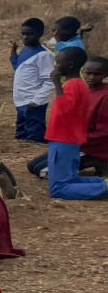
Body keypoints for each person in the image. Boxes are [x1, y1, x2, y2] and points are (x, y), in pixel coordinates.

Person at [46, 48, 108, 200]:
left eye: (58, 63)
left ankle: (104, 187)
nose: (55, 66)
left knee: (58, 188)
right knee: (70, 179)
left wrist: (57, 83)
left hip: (63, 140)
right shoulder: (81, 85)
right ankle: (103, 183)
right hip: (71, 140)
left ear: (70, 64)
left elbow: (64, 110)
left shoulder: (73, 85)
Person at [11, 18, 55, 144]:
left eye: (30, 34)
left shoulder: (44, 55)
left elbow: (49, 80)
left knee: (35, 136)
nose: (25, 37)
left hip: (33, 102)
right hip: (21, 100)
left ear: (39, 34)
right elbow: (19, 67)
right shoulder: (25, 50)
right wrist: (13, 53)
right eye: (23, 34)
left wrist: (37, 100)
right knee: (21, 134)